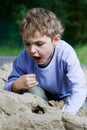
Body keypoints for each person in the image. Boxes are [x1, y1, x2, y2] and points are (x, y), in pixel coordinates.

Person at [4, 7, 87, 115]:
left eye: (39, 44)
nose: (32, 50)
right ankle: (42, 113)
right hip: (41, 96)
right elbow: (6, 88)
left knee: (81, 106)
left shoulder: (66, 54)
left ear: (55, 40)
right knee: (30, 89)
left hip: (66, 95)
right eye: (27, 44)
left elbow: (79, 87)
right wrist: (15, 85)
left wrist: (67, 114)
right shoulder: (24, 57)